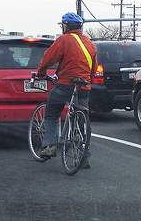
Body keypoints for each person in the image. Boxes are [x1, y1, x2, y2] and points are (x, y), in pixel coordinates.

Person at [36, 12, 97, 169]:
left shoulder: (64, 40)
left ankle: (49, 146)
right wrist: (87, 81)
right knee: (81, 119)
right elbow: (93, 67)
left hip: (65, 84)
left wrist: (41, 73)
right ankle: (84, 156)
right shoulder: (89, 43)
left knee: (51, 112)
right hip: (84, 86)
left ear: (65, 26)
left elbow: (48, 58)